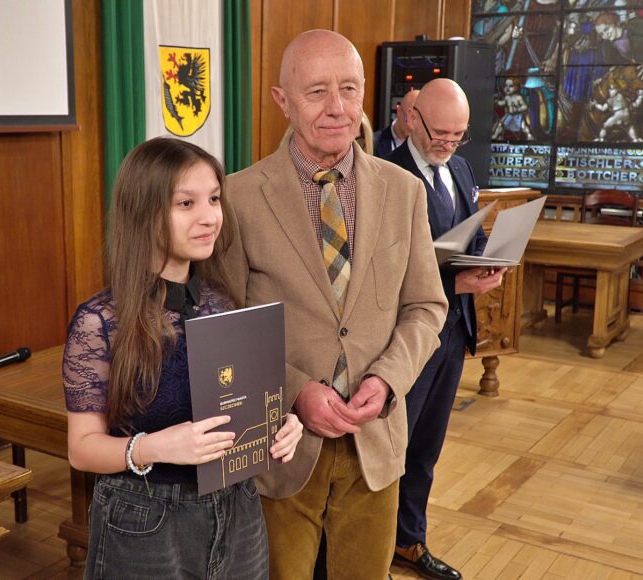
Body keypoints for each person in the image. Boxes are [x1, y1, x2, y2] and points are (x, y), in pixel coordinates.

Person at [224, 29, 448, 579]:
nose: (337, 108)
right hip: (279, 448)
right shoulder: (238, 197)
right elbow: (224, 329)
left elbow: (426, 307)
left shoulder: (404, 191)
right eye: (316, 91)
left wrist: (388, 380)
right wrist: (296, 391)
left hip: (375, 442)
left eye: (349, 89)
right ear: (282, 100)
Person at [63, 137, 304, 580]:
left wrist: (279, 424)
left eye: (214, 199)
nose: (209, 217)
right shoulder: (99, 321)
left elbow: (237, 406)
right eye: (186, 203)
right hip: (145, 517)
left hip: (237, 507)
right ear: (144, 212)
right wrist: (155, 447)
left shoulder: (223, 302)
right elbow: (81, 449)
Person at [384, 79, 506, 580]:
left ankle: (409, 541)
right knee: (393, 448)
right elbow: (384, 271)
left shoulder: (460, 168)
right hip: (406, 336)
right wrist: (455, 282)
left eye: (459, 135)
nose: (449, 144)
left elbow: (470, 235)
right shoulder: (387, 175)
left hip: (454, 331)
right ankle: (374, 550)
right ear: (413, 119)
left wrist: (488, 261)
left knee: (426, 449)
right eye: (440, 134)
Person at [373, 88, 419, 158]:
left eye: (417, 121)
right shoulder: (373, 143)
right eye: (408, 118)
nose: (412, 127)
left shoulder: (427, 145)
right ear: (399, 111)